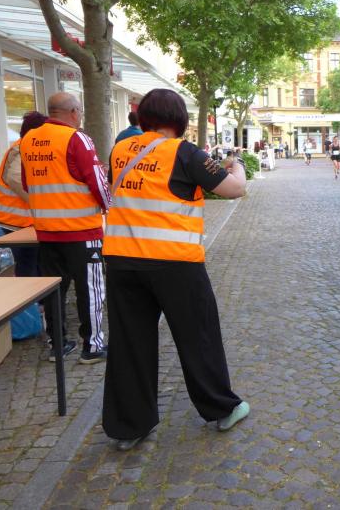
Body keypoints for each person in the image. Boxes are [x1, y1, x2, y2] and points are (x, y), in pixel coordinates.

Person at [101, 88, 249, 451]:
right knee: (198, 336)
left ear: (144, 117)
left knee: (130, 342)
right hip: (174, 263)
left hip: (122, 261)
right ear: (180, 118)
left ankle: (129, 426)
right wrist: (238, 165)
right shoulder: (184, 152)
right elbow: (234, 190)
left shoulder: (120, 150)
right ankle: (222, 409)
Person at [20, 92, 110, 364]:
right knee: (90, 289)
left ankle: (57, 344)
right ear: (73, 112)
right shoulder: (76, 138)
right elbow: (97, 182)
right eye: (79, 112)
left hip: (46, 231)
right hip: (82, 229)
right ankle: (92, 345)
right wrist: (109, 206)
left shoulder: (28, 140)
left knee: (55, 290)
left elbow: (27, 184)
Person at [0, 111, 47, 277]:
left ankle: (40, 293)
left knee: (33, 263)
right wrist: (41, 203)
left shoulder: (24, 147)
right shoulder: (22, 149)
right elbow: (16, 179)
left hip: (19, 220)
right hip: (15, 221)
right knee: (28, 265)